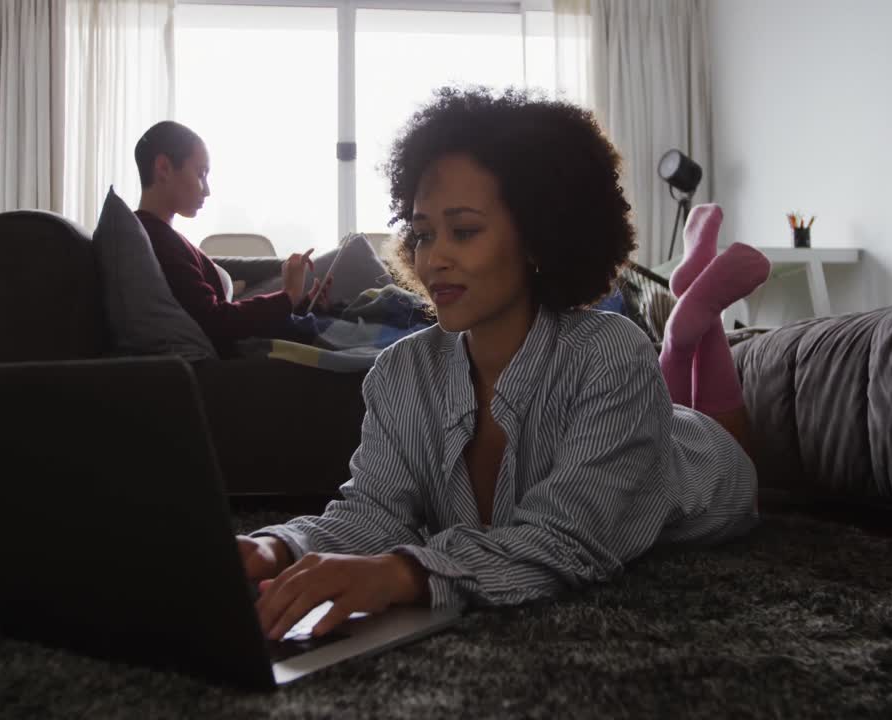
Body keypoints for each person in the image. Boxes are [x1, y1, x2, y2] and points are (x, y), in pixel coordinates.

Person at [236, 87, 771, 641]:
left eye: (463, 231)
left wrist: (401, 573)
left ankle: (695, 320)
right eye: (421, 235)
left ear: (538, 237)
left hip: (710, 467)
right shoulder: (399, 375)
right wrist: (275, 548)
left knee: (705, 401)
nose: (433, 258)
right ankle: (691, 317)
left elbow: (571, 539)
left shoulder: (610, 352)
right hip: (643, 419)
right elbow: (373, 514)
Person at [133, 121, 330, 357]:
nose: (206, 190)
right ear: (164, 168)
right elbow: (216, 320)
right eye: (201, 173)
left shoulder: (160, 236)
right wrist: (288, 296)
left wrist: (303, 303)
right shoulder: (157, 240)